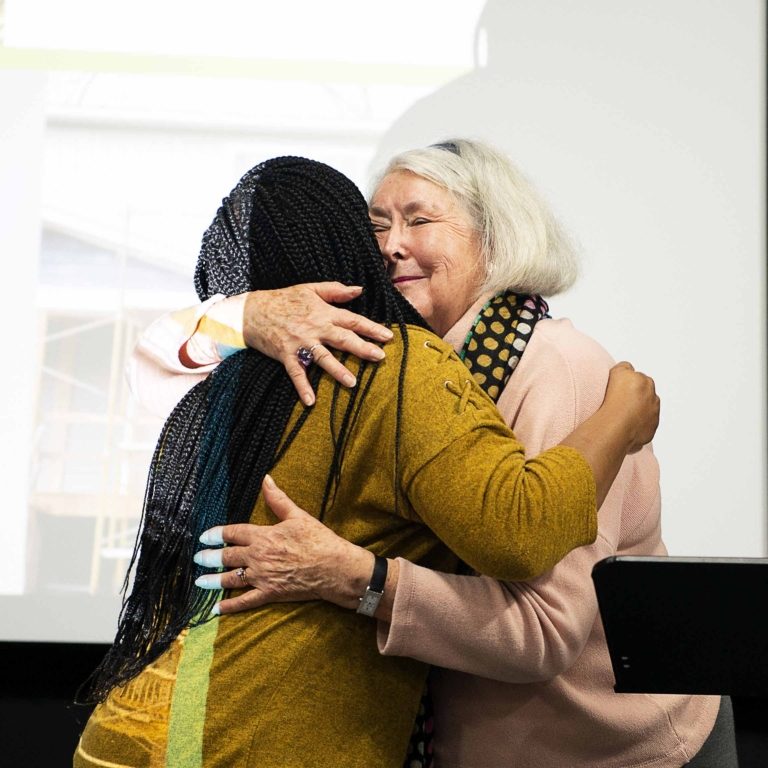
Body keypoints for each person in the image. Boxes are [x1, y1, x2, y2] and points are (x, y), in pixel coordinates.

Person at [128, 140, 736, 768]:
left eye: (419, 220)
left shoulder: (554, 368)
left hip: (615, 749)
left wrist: (357, 578)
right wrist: (249, 312)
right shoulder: (370, 355)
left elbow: (543, 632)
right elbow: (152, 365)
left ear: (497, 240)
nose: (391, 245)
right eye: (375, 226)